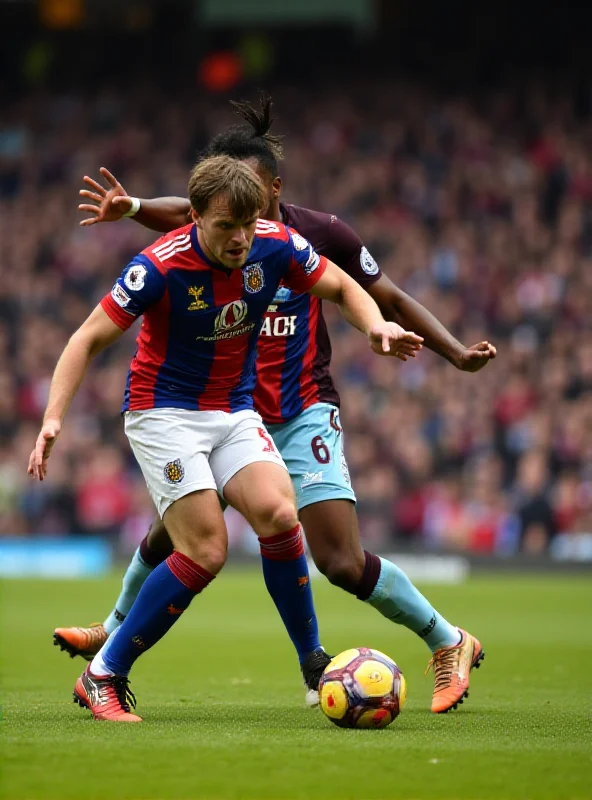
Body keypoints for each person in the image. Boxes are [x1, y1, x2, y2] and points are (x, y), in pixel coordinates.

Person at [55, 96, 495, 715]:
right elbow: (172, 219)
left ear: (272, 190)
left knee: (335, 558)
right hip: (225, 410)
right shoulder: (214, 226)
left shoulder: (311, 234)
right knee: (181, 529)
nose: (240, 225)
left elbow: (378, 293)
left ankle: (446, 639)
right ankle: (115, 634)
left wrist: (449, 351)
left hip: (299, 409)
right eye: (223, 214)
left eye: (250, 206)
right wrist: (128, 208)